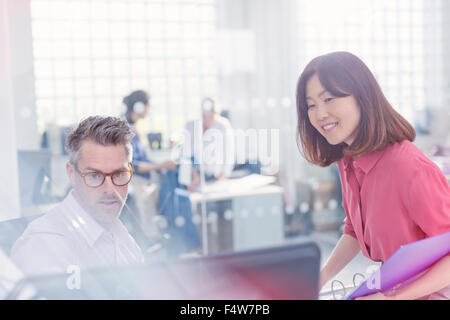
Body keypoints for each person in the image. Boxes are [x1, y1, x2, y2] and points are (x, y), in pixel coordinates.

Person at [296, 51, 450, 300]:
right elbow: (354, 231)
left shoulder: (409, 168)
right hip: (394, 287)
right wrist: (319, 280)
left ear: (362, 97)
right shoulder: (347, 161)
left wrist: (392, 299)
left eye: (329, 99)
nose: (319, 113)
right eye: (311, 105)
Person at [11, 116, 144, 276]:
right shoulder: (42, 247)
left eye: (119, 174)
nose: (110, 190)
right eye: (94, 176)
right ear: (72, 174)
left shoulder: (122, 237)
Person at [187, 97, 235, 190]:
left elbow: (229, 152)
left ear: (215, 113)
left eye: (210, 116)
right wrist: (194, 174)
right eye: (204, 116)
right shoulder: (192, 126)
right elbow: (188, 153)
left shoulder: (223, 125)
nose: (207, 119)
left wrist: (224, 173)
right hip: (197, 177)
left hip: (217, 176)